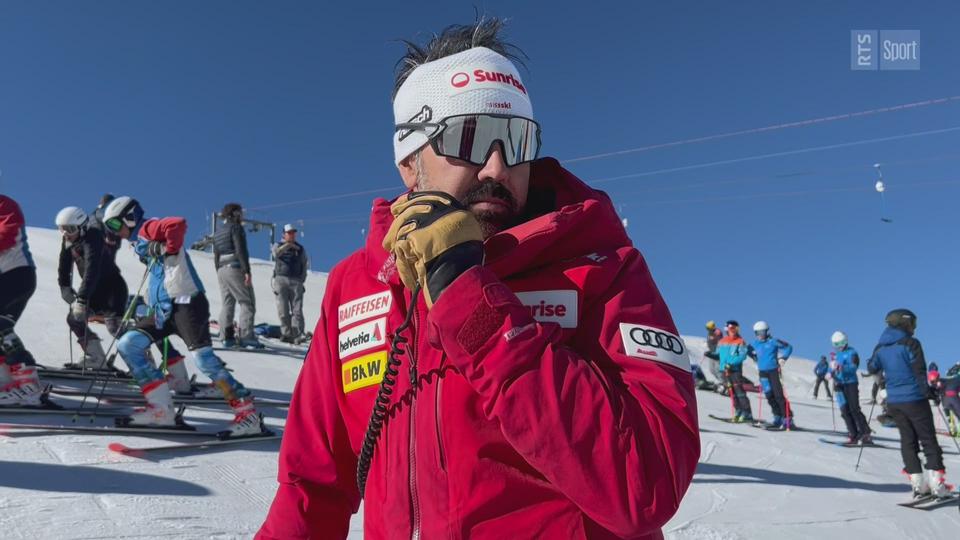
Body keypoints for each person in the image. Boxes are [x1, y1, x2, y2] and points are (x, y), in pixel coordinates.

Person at [257, 18, 699, 539]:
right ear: (408, 158)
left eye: (516, 140)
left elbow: (645, 486)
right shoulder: (360, 283)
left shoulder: (603, 268)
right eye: (470, 137)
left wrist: (471, 299)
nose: (497, 166)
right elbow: (312, 484)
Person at [102, 196, 263, 435]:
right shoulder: (139, 240)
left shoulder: (147, 227)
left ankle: (248, 414)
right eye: (110, 228)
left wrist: (166, 247)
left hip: (186, 304)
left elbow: (176, 223)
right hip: (163, 309)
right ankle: (161, 410)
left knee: (204, 361)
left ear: (130, 217)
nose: (116, 232)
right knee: (129, 344)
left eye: (116, 225)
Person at [866, 308, 950, 499]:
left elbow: (872, 366)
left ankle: (918, 486)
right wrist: (929, 393)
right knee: (928, 440)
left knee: (908, 440)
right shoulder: (911, 344)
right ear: (905, 323)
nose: (914, 327)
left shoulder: (880, 347)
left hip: (894, 401)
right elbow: (919, 372)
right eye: (913, 323)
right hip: (914, 399)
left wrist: (882, 379)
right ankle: (937, 485)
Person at [55, 206, 126, 369]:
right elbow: (63, 268)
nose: (66, 233)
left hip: (111, 289)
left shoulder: (93, 237)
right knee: (74, 319)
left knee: (114, 326)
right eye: (61, 229)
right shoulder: (69, 241)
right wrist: (65, 288)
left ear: (82, 227)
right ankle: (96, 358)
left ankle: (144, 363)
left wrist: (81, 298)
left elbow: (92, 270)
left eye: (70, 229)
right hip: (94, 290)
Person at [0, 194, 44, 406]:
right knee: (2, 329)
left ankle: (29, 388)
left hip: (16, 274)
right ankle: (10, 382)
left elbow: (8, 233)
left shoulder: (5, 204)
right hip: (7, 275)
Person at [213, 202, 261, 349]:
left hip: (221, 269)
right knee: (247, 302)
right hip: (235, 267)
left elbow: (216, 254)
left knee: (228, 303)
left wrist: (218, 270)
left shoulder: (219, 231)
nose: (242, 215)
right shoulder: (236, 228)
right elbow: (241, 250)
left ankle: (225, 336)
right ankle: (247, 337)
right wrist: (247, 271)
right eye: (240, 212)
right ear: (235, 214)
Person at [747, 320, 794, 429]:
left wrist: (783, 358)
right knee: (769, 395)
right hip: (762, 372)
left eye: (762, 332)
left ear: (767, 331)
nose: (760, 335)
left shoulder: (773, 341)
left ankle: (788, 418)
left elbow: (789, 347)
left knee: (778, 395)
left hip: (773, 371)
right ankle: (777, 416)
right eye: (757, 333)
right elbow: (747, 350)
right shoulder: (755, 343)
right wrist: (753, 356)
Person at [830, 331, 871, 444]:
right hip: (840, 385)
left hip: (851, 384)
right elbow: (833, 368)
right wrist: (831, 372)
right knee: (844, 410)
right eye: (836, 344)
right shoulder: (836, 355)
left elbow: (853, 367)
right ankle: (853, 433)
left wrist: (841, 367)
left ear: (845, 342)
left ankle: (865, 433)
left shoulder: (852, 353)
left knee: (854, 409)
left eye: (840, 343)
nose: (839, 347)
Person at [271, 224, 308, 343]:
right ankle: (286, 333)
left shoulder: (300, 249)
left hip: (296, 281)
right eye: (289, 233)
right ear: (284, 234)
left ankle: (297, 333)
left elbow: (304, 263)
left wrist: (301, 280)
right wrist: (287, 246)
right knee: (283, 308)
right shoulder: (278, 245)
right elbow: (275, 254)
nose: (292, 235)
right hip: (281, 279)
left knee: (297, 309)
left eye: (293, 233)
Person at [718, 320, 753, 422]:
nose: (733, 330)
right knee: (731, 392)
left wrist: (731, 364)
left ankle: (747, 413)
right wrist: (710, 354)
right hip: (724, 370)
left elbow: (742, 356)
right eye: (731, 328)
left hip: (735, 370)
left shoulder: (740, 341)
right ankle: (738, 411)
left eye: (735, 328)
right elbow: (719, 354)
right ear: (727, 329)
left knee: (739, 392)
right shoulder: (723, 341)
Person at [941, 362, 960, 436]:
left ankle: (953, 429)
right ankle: (954, 429)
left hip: (950, 394)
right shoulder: (955, 370)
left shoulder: (953, 370)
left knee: (952, 412)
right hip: (954, 393)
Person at [704, 320, 724, 387]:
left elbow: (719, 342)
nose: (707, 330)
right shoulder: (709, 334)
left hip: (718, 354)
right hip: (712, 353)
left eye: (708, 328)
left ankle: (723, 382)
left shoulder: (717, 332)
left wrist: (717, 351)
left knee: (717, 369)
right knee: (711, 369)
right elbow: (710, 343)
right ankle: (720, 381)